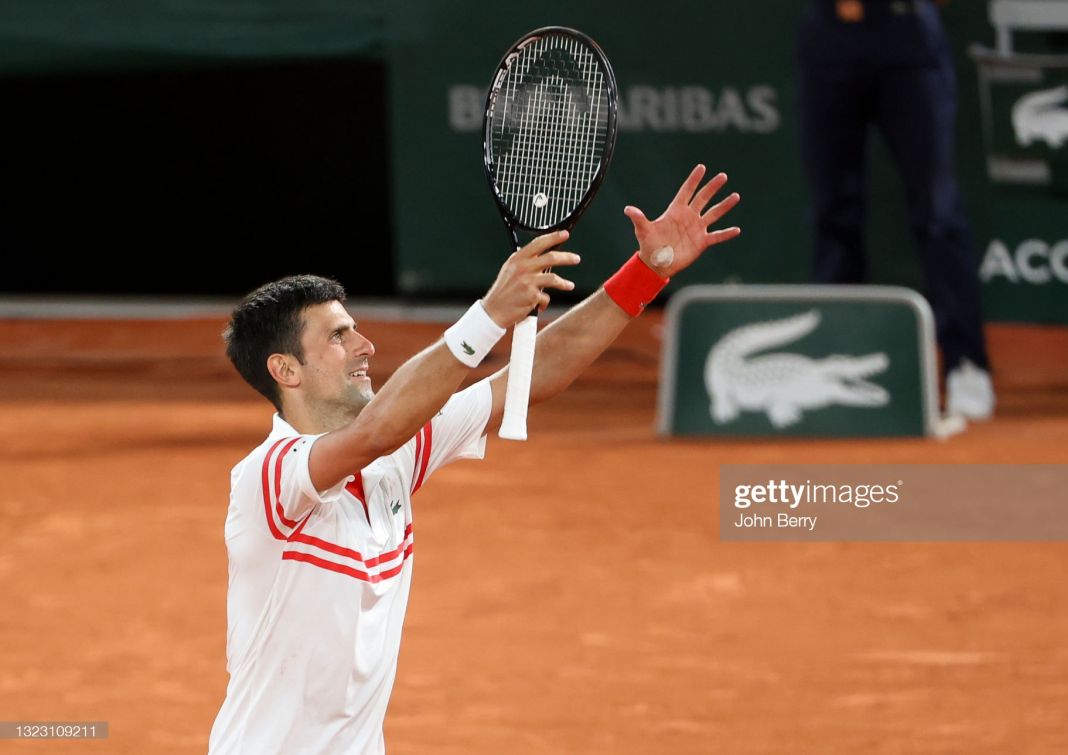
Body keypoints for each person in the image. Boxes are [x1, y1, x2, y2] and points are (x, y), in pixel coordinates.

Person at [208, 165, 739, 754]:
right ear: (285, 370)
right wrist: (488, 316)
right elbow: (375, 432)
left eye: (355, 329)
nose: (365, 346)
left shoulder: (398, 454)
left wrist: (645, 273)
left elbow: (534, 377)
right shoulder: (270, 475)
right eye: (338, 336)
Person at [795, 0, 994, 419]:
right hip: (830, 38)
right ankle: (835, 363)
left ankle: (966, 365)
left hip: (909, 40)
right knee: (834, 212)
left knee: (938, 214)